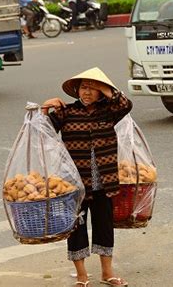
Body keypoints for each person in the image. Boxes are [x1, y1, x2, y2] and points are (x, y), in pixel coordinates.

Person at [42, 68, 132, 287]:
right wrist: (45, 108)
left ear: (102, 92)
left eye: (93, 88)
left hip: (104, 182)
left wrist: (105, 87)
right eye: (84, 87)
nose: (87, 92)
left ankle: (107, 273)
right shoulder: (67, 112)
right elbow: (43, 130)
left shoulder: (109, 111)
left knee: (104, 226)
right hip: (75, 184)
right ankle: (82, 277)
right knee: (76, 228)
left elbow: (126, 105)